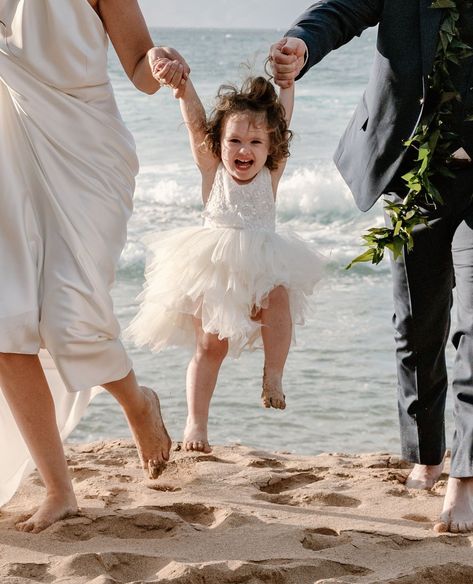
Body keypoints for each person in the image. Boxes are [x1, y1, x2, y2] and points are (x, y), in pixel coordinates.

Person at [269, 0, 473, 533]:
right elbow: (340, 10)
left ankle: (465, 475)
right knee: (415, 324)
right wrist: (301, 45)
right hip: (415, 173)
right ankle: (428, 454)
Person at [0, 0, 190, 533]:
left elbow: (138, 68)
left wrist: (158, 61)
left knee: (71, 317)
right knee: (6, 321)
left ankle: (137, 401)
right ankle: (60, 490)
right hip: (13, 148)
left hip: (88, 157)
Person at [127, 62, 324, 453]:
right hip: (216, 270)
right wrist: (184, 90)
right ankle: (195, 425)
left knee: (279, 299)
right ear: (218, 144)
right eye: (234, 141)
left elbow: (282, 120)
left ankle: (273, 375)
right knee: (209, 348)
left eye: (255, 143)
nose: (243, 150)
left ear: (271, 149)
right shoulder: (212, 168)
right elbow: (196, 124)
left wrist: (288, 85)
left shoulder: (271, 172)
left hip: (262, 265)